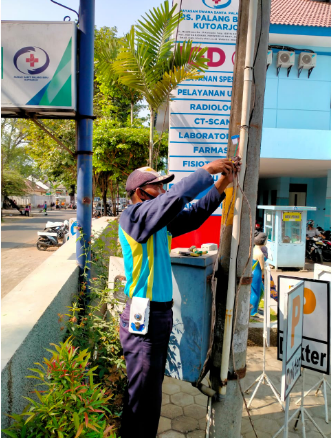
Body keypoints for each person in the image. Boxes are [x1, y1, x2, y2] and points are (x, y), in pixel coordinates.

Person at [118, 158, 241, 438]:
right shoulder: (134, 217)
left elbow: (195, 213)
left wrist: (222, 182)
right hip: (143, 318)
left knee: (149, 392)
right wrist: (207, 171)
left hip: (160, 316)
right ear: (140, 192)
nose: (163, 191)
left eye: (164, 187)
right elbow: (177, 197)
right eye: (157, 187)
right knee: (143, 399)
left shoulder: (159, 224)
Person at [250, 231, 267, 317]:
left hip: (253, 272)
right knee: (256, 293)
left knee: (260, 291)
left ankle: (254, 307)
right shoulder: (260, 253)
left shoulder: (254, 249)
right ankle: (253, 311)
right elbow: (262, 267)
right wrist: (264, 274)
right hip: (257, 274)